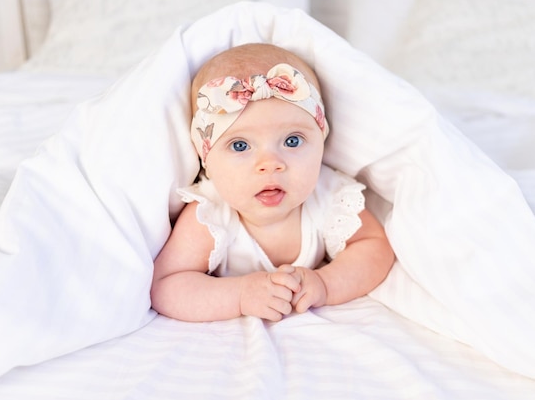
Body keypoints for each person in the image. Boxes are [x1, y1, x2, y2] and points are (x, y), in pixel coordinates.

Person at [150, 43, 395, 322]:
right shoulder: (210, 214)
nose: (269, 164)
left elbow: (374, 247)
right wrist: (240, 295)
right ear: (207, 159)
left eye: (292, 141)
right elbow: (166, 284)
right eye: (240, 145)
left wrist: (326, 283)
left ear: (321, 144)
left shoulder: (328, 195)